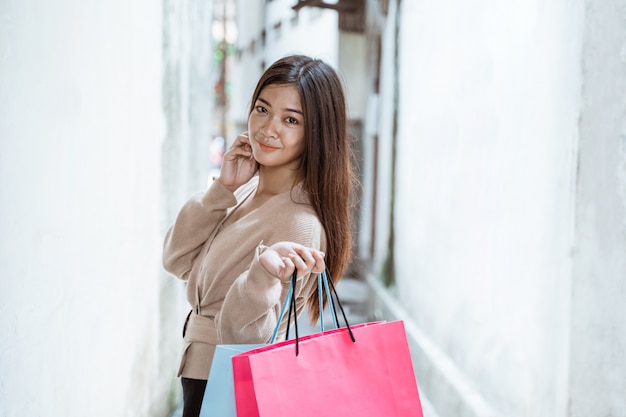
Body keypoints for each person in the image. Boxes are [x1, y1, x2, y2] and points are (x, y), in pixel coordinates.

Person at [162, 54, 354, 417]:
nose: (268, 129)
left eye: (291, 120)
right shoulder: (247, 191)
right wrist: (222, 189)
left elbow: (246, 340)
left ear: (316, 134)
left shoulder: (299, 223)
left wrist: (260, 277)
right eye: (262, 109)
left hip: (229, 386)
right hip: (201, 374)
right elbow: (176, 259)